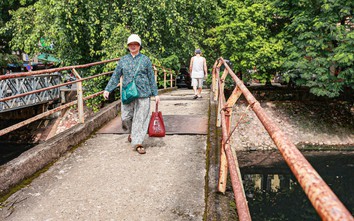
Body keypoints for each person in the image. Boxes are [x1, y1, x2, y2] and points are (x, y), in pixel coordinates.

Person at [103, 34, 160, 154]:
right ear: (128, 46)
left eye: (136, 44)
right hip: (128, 94)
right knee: (125, 117)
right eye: (131, 44)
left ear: (139, 46)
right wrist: (108, 89)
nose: (133, 46)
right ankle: (132, 132)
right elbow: (116, 75)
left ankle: (138, 143)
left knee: (140, 118)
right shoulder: (123, 60)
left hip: (143, 93)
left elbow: (151, 78)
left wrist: (156, 94)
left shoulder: (145, 60)